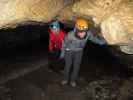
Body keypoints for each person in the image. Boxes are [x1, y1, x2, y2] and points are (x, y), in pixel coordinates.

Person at [60, 18, 106, 87]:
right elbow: (64, 43)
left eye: (84, 31)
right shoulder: (70, 35)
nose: (82, 34)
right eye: (80, 31)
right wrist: (63, 52)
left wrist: (100, 42)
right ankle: (65, 79)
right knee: (68, 66)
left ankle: (73, 80)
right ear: (76, 30)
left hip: (79, 51)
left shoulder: (88, 34)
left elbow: (93, 39)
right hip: (69, 51)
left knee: (76, 66)